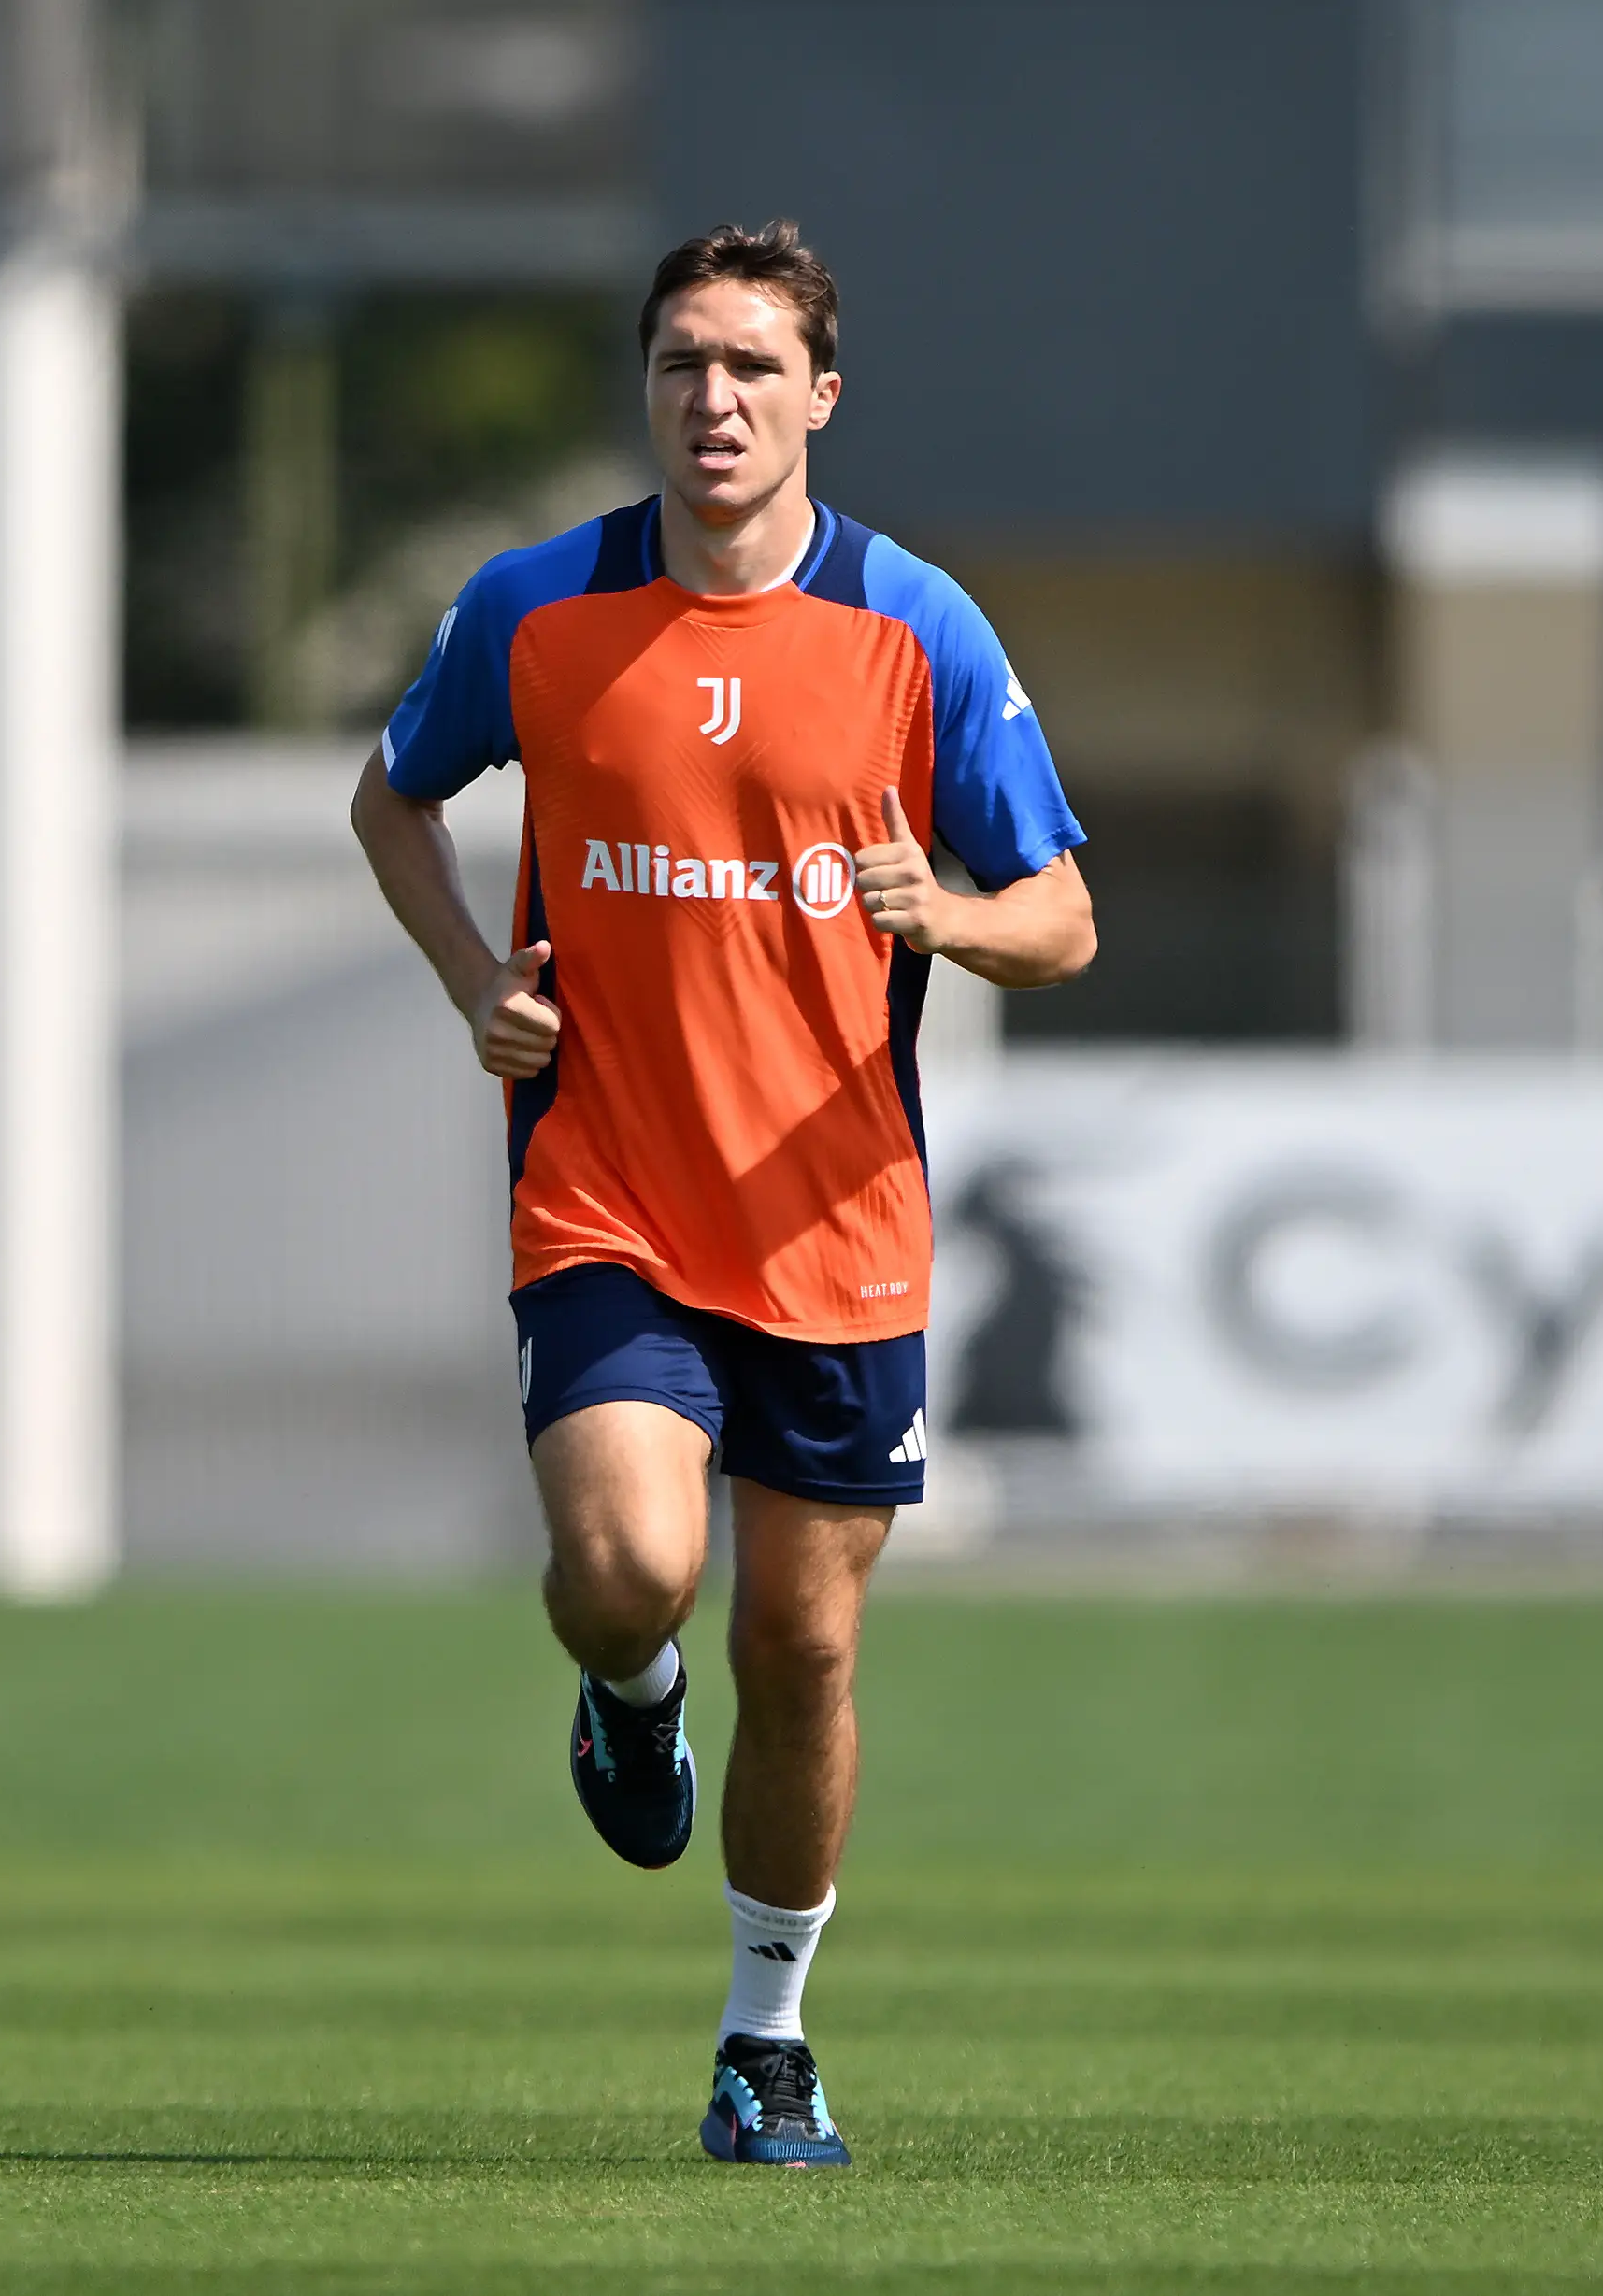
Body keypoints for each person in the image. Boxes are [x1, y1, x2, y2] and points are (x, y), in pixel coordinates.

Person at [347, 220, 1095, 2167]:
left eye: (755, 367)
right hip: (605, 1199)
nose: (716, 400)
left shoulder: (916, 627)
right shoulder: (539, 607)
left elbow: (1067, 913)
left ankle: (766, 2036)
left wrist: (955, 911)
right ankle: (626, 1686)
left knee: (814, 1651)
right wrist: (470, 983)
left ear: (820, 396)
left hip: (838, 1229)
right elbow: (393, 793)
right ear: (650, 386)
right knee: (620, 1568)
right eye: (685, 362)